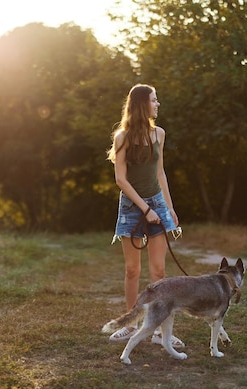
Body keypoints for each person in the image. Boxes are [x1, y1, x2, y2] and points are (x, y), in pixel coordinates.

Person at [107, 83, 183, 348]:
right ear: (141, 104)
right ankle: (130, 325)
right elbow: (121, 180)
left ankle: (162, 331)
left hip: (157, 202)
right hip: (131, 206)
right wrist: (145, 209)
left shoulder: (159, 134)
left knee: (159, 271)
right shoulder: (122, 138)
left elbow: (160, 174)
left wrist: (168, 208)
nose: (157, 104)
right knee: (132, 270)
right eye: (154, 100)